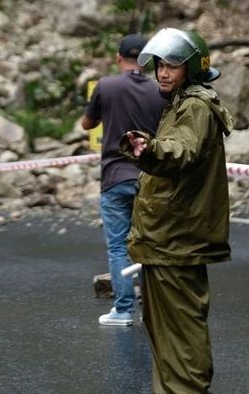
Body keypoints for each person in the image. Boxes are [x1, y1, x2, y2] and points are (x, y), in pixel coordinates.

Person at [120, 27, 235, 394]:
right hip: (167, 243)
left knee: (181, 342)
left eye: (173, 65)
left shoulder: (196, 107)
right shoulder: (184, 102)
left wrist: (150, 150)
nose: (163, 72)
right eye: (160, 65)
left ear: (193, 68)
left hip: (176, 244)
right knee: (167, 340)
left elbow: (180, 151)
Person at [81, 33, 165, 327]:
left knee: (119, 246)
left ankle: (123, 310)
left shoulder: (106, 86)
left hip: (115, 176)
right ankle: (155, 309)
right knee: (151, 244)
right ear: (146, 61)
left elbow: (86, 123)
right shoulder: (159, 90)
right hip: (151, 178)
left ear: (119, 58)